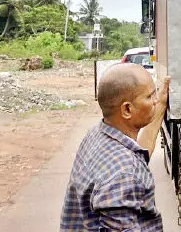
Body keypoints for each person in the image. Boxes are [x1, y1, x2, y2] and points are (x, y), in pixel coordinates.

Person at [61, 64, 170, 231]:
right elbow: (126, 171)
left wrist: (161, 104)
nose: (154, 100)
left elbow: (137, 157)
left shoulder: (98, 135)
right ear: (127, 109)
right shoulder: (123, 174)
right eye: (149, 96)